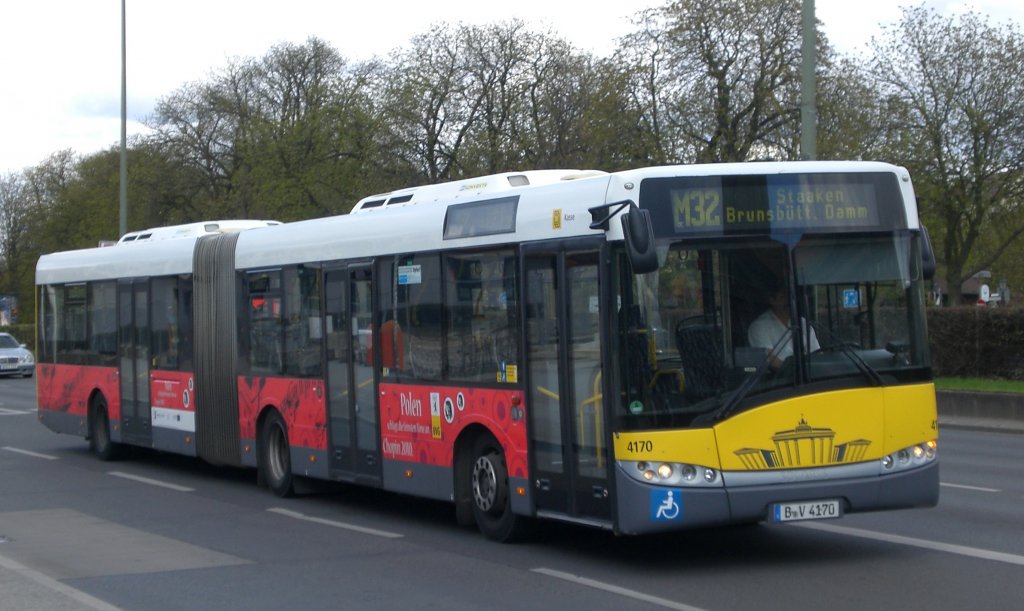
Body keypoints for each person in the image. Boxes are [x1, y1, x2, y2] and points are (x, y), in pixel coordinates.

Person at [747, 281, 819, 370]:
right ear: (772, 300)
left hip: (808, 376)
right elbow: (770, 359)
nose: (789, 301)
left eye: (791, 297)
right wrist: (795, 370)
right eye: (783, 297)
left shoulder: (803, 323)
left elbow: (816, 354)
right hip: (778, 379)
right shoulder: (759, 326)